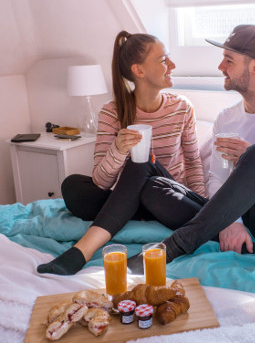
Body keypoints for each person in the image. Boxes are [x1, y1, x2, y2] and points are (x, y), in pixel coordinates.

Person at [127, 24, 255, 272]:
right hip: (236, 215)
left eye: (228, 60)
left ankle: (175, 245)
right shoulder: (226, 119)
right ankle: (254, 248)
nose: (220, 67)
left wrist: (252, 155)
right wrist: (231, 221)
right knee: (155, 186)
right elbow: (216, 179)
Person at [37, 31, 206, 275]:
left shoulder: (181, 107)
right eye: (163, 60)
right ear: (139, 70)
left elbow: (193, 162)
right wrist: (118, 149)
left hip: (167, 197)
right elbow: (101, 182)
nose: (172, 65)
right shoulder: (111, 112)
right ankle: (123, 211)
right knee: (73, 187)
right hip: (133, 199)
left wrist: (202, 207)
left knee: (142, 163)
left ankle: (81, 251)